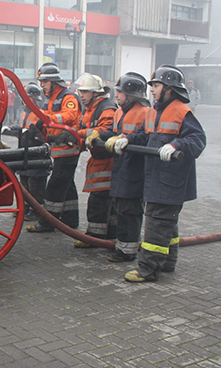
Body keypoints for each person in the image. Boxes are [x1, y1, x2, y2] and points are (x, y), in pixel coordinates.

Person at [113, 65, 206, 282]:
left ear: (169, 88)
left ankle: (147, 269)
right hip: (156, 179)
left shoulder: (182, 111)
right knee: (167, 223)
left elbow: (198, 141)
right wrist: (128, 139)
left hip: (170, 181)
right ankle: (167, 263)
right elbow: (146, 137)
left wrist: (177, 145)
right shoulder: (154, 111)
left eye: (156, 85)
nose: (152, 89)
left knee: (156, 223)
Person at [98, 72, 150, 262]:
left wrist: (126, 139)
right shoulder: (120, 111)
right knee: (121, 208)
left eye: (120, 92)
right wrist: (99, 135)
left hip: (135, 168)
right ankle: (122, 245)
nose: (116, 95)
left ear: (132, 94)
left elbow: (146, 137)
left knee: (131, 210)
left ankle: (128, 251)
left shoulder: (145, 113)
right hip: (121, 167)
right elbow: (113, 132)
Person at [26, 63, 83, 232]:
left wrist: (46, 119)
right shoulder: (50, 98)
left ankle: (47, 222)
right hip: (59, 148)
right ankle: (71, 220)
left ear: (54, 81)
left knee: (55, 186)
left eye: (44, 81)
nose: (42, 85)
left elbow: (69, 115)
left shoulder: (68, 97)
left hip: (68, 148)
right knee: (67, 184)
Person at [71, 73, 117, 247]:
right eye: (81, 91)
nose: (81, 95)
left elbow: (103, 131)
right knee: (105, 199)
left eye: (85, 92)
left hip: (107, 161)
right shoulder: (90, 109)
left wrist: (77, 135)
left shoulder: (106, 108)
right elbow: (83, 128)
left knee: (98, 200)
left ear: (96, 93)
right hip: (98, 160)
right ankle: (111, 233)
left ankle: (94, 237)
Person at [2, 82, 49, 221]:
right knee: (24, 184)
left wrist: (32, 133)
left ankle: (37, 211)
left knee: (36, 186)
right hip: (25, 153)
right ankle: (25, 208)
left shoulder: (40, 114)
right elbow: (22, 128)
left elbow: (43, 135)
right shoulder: (25, 113)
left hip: (36, 154)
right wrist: (11, 129)